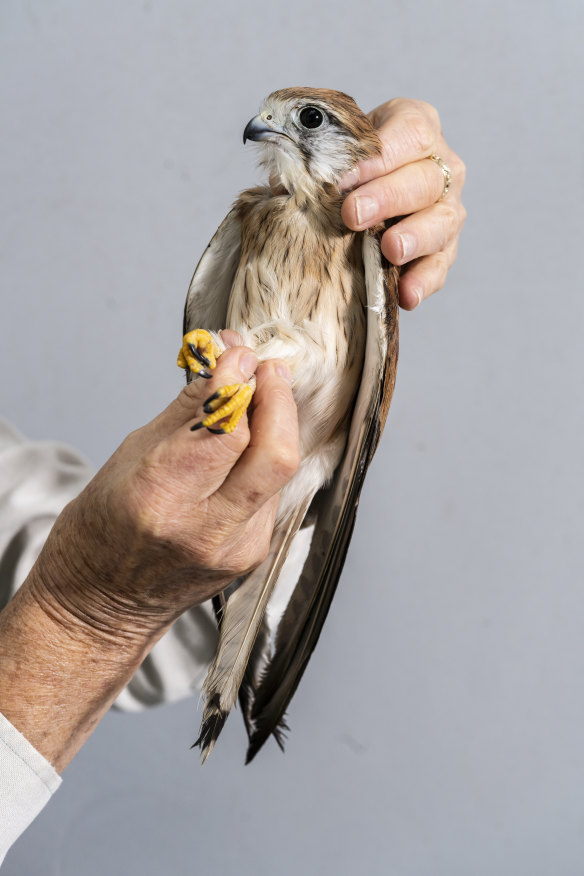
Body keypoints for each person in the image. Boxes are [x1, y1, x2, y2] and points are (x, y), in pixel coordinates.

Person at [0, 98, 466, 862]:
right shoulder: (251, 224)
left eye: (307, 119)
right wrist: (90, 607)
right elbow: (73, 578)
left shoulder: (357, 240)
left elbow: (48, 544)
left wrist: (172, 555)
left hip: (308, 451)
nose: (263, 126)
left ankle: (244, 668)